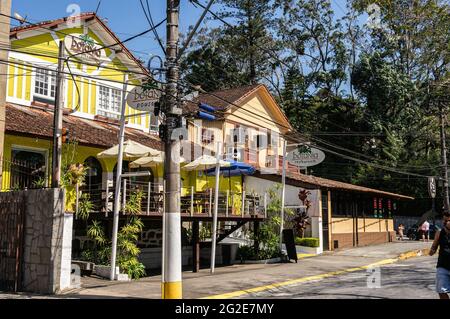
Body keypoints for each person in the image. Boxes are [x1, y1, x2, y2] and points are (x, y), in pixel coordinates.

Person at [429, 213, 450, 299]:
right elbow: (433, 247)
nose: (446, 222)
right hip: (442, 266)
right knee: (441, 291)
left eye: (448, 220)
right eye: (444, 220)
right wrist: (431, 251)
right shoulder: (439, 232)